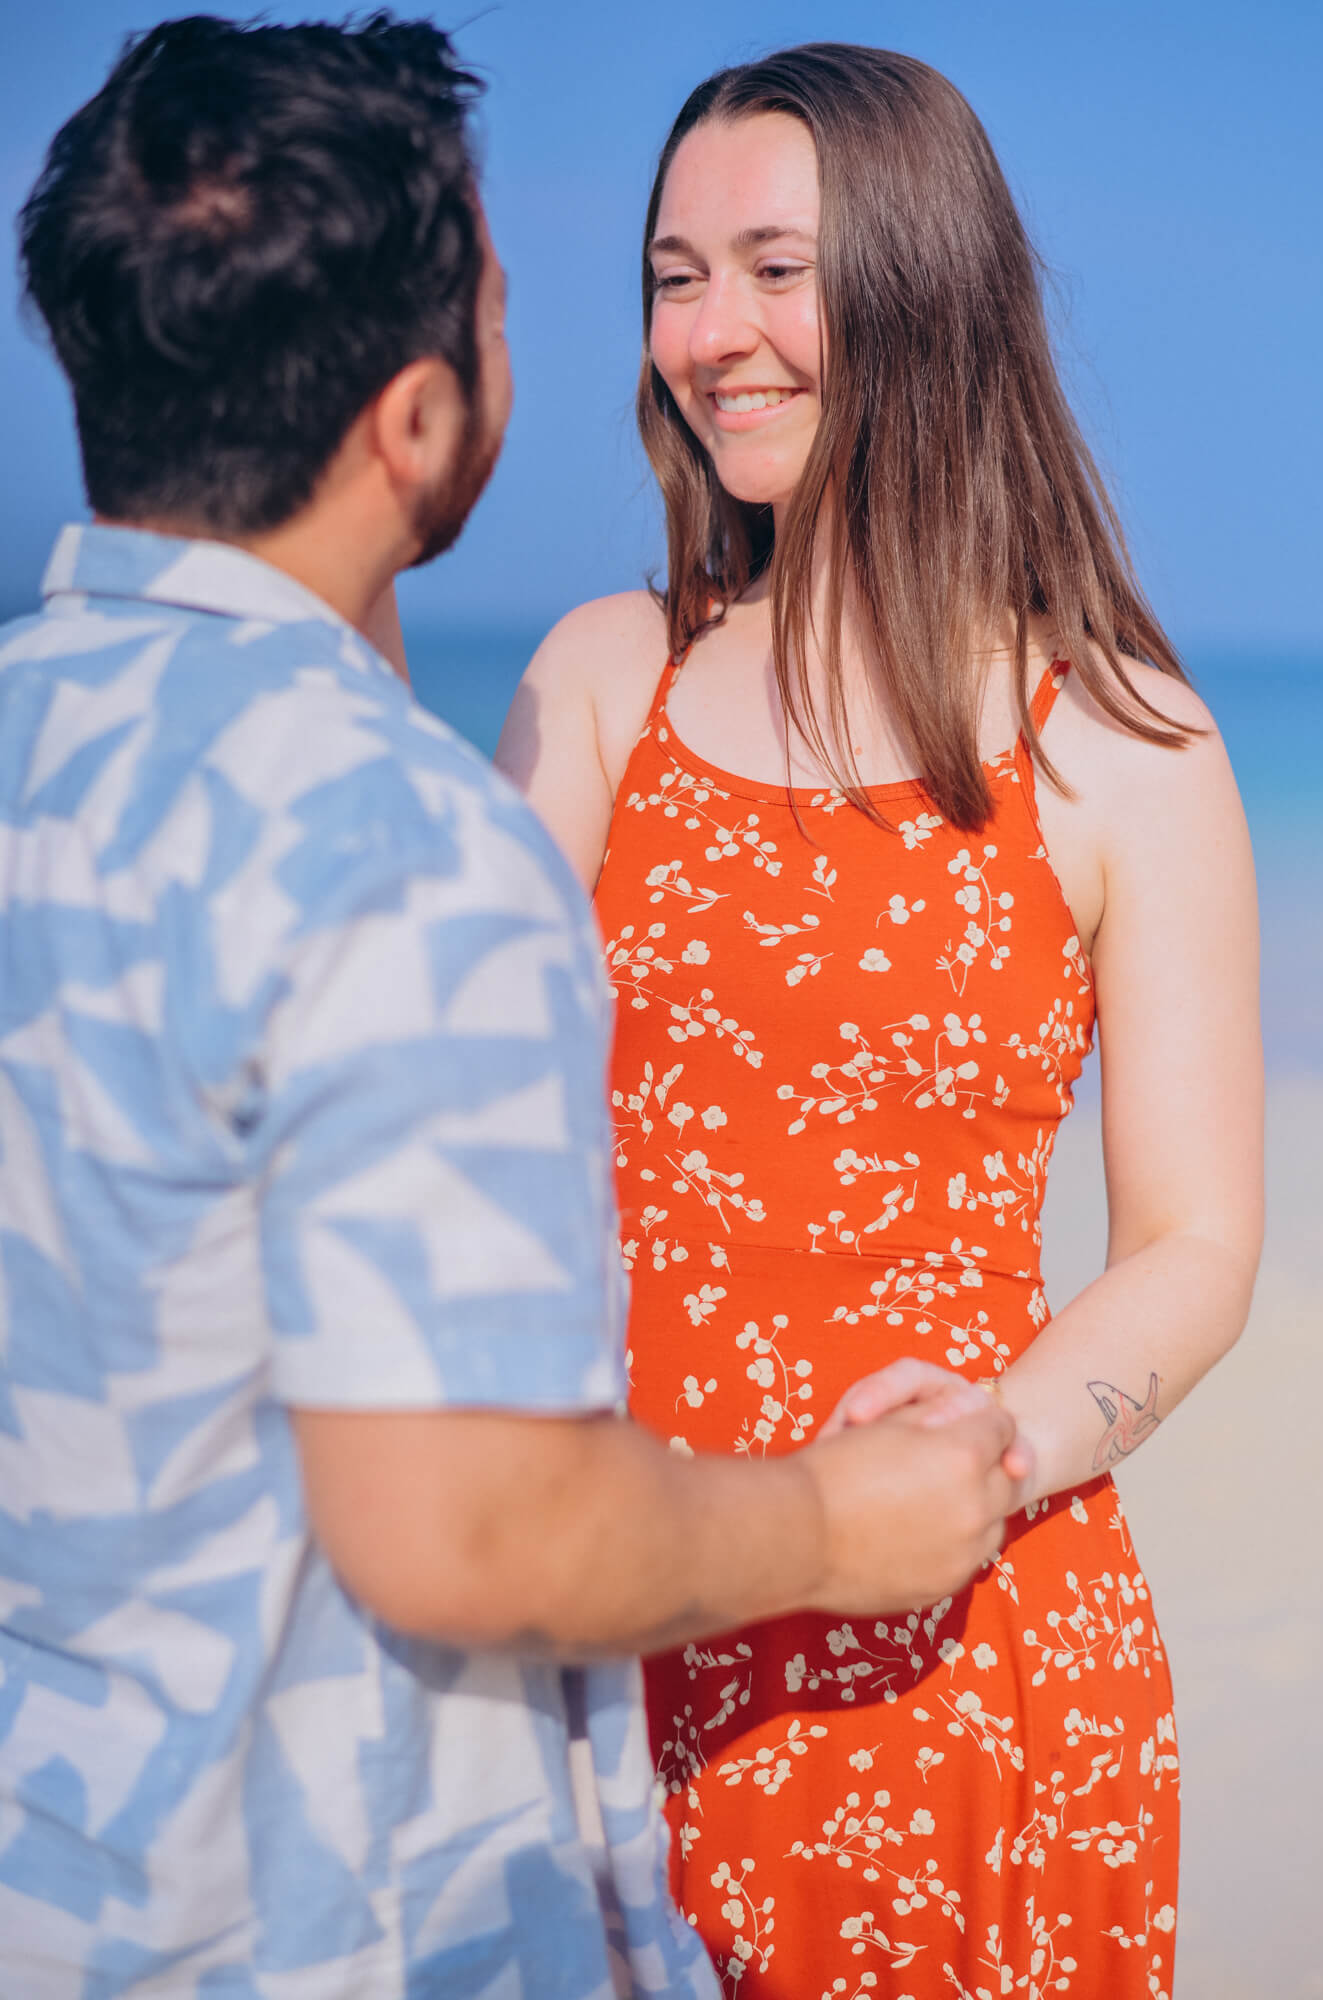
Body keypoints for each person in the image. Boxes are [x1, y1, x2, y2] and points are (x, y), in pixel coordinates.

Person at [0, 19, 1026, 1999]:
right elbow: (470, 1527)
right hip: (326, 1916)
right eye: (502, 293)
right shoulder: (395, 834)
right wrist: (832, 1516)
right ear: (414, 419)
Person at [497, 42, 1263, 2000]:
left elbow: (1193, 1247)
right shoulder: (605, 684)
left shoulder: (1122, 745)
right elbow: (463, 1146)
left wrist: (994, 1442)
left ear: (923, 285)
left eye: (774, 266)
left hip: (965, 1644)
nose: (713, 333)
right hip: (623, 1615)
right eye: (675, 275)